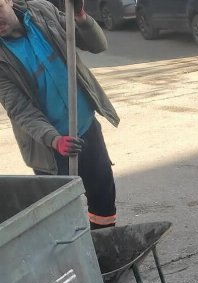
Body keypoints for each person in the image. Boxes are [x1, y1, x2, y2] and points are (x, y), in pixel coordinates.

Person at [0, 0, 119, 229]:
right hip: (50, 148)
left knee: (103, 198)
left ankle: (104, 248)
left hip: (86, 128)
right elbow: (20, 110)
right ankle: (74, 257)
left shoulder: (42, 12)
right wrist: (54, 139)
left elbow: (97, 44)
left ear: (9, 0)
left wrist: (81, 17)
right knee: (63, 214)